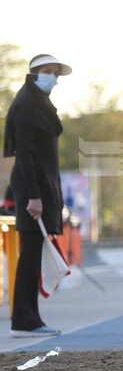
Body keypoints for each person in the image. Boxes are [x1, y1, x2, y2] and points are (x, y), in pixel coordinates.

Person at [3, 54, 72, 338]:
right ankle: (24, 322)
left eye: (56, 72)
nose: (53, 77)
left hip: (42, 186)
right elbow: (27, 155)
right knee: (29, 254)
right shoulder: (27, 105)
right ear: (33, 73)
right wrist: (34, 197)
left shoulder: (40, 105)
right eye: (47, 71)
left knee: (32, 254)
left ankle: (30, 319)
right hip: (33, 188)